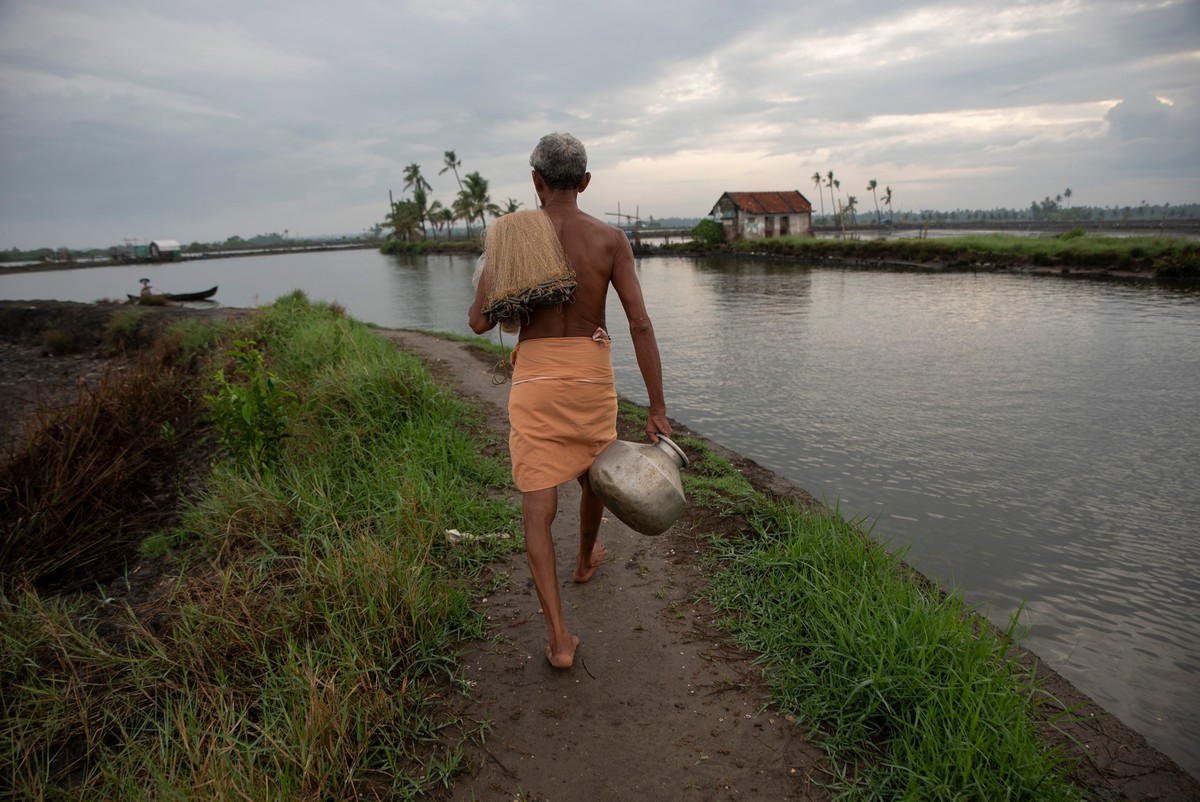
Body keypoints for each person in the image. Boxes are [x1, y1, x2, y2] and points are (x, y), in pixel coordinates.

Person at [469, 132, 672, 669]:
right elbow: (640, 323)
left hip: (536, 374)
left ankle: (559, 639)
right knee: (594, 472)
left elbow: (478, 320)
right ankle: (584, 560)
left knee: (538, 503)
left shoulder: (514, 239)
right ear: (584, 182)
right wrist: (656, 408)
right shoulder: (610, 239)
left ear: (536, 181)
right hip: (589, 372)